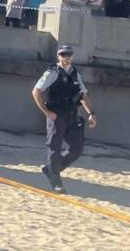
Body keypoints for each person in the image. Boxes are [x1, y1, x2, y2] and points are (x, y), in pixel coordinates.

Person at [31, 44, 97, 193]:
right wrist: (47, 112)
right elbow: (36, 92)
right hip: (56, 115)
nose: (66, 58)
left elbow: (83, 95)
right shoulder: (52, 72)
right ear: (58, 57)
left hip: (71, 115)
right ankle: (56, 181)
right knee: (54, 148)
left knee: (77, 148)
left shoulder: (75, 74)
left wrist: (91, 113)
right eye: (63, 55)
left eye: (68, 55)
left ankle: (52, 170)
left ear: (72, 56)